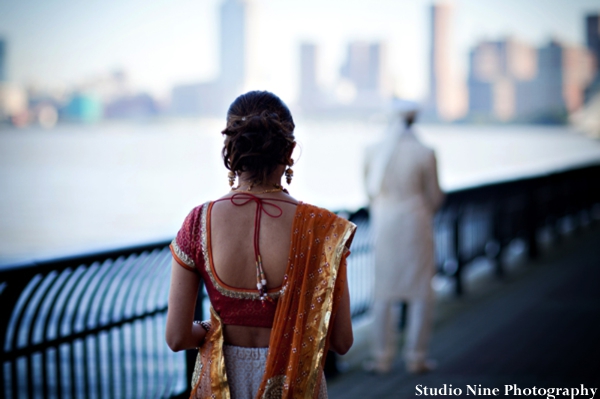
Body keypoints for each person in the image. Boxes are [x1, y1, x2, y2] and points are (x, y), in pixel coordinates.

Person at [166, 91, 356, 399]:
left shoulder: (198, 222)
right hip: (293, 384)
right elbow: (341, 341)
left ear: (230, 147)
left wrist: (212, 328)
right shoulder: (323, 229)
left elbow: (177, 337)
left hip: (221, 382)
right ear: (290, 150)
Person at [363, 100, 445, 374]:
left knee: (383, 291)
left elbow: (368, 191)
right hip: (416, 224)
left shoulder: (372, 151)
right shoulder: (426, 152)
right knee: (420, 290)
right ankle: (416, 356)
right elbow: (434, 196)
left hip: (384, 226)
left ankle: (381, 357)